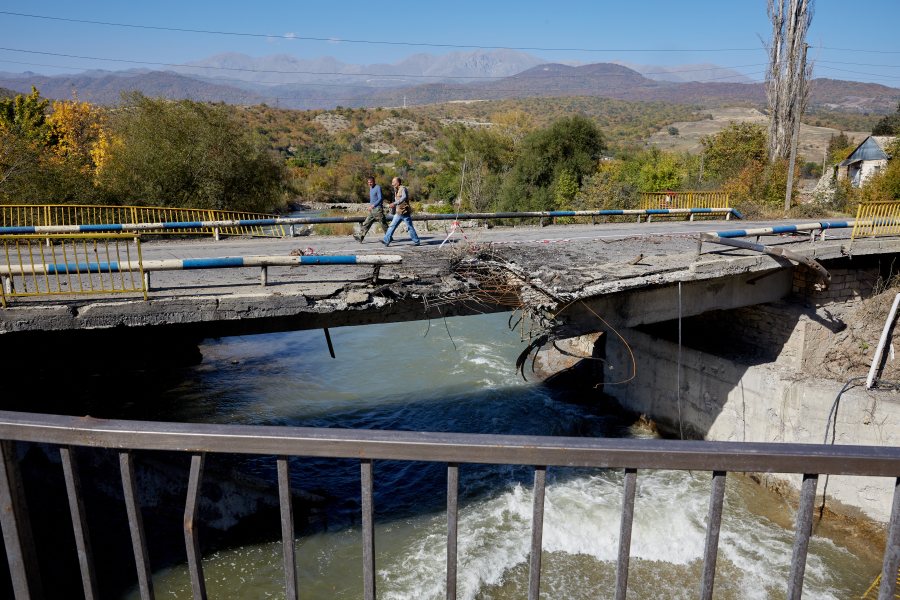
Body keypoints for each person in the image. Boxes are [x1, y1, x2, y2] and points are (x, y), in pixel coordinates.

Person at [382, 176, 421, 247]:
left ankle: (416, 241)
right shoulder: (395, 190)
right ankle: (386, 240)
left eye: (394, 182)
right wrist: (393, 207)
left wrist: (394, 203)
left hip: (405, 212)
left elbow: (404, 197)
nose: (392, 183)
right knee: (391, 226)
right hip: (398, 212)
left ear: (398, 182)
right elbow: (396, 201)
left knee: (410, 227)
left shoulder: (403, 188)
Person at [355, 175, 390, 243]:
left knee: (383, 224)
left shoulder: (378, 187)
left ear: (374, 181)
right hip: (372, 210)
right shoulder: (371, 188)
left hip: (378, 210)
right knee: (366, 223)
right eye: (368, 182)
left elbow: (380, 198)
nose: (369, 184)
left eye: (370, 182)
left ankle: (389, 237)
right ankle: (360, 237)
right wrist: (370, 206)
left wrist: (373, 205)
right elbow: (373, 199)